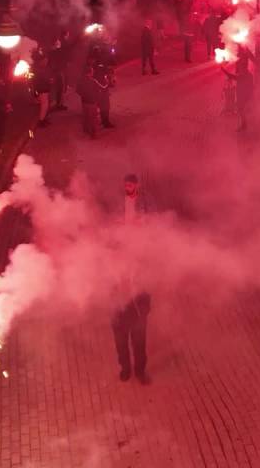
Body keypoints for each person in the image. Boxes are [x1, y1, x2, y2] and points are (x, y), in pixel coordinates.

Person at [111, 174, 152, 385]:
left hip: (136, 309)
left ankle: (140, 372)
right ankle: (125, 368)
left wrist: (144, 309)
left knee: (139, 342)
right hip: (119, 309)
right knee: (120, 342)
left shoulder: (142, 264)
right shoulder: (112, 265)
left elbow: (146, 289)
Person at [49, 31, 72, 111]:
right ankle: (58, 104)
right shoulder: (58, 46)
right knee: (60, 87)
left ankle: (59, 103)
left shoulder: (59, 46)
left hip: (59, 69)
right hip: (58, 70)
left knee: (61, 87)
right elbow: (57, 57)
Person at [77, 63, 101, 138]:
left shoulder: (81, 80)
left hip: (84, 101)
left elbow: (77, 90)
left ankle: (86, 130)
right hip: (92, 102)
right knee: (93, 118)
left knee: (86, 116)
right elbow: (98, 91)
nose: (93, 72)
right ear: (90, 72)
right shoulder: (93, 81)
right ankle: (93, 134)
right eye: (92, 71)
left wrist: (83, 95)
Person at [31, 49, 53, 127]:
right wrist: (49, 81)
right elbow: (40, 80)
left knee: (45, 105)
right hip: (42, 89)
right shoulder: (39, 70)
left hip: (44, 89)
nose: (46, 62)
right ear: (41, 61)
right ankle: (41, 121)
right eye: (45, 61)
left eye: (47, 60)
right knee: (44, 105)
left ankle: (44, 119)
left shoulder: (42, 69)